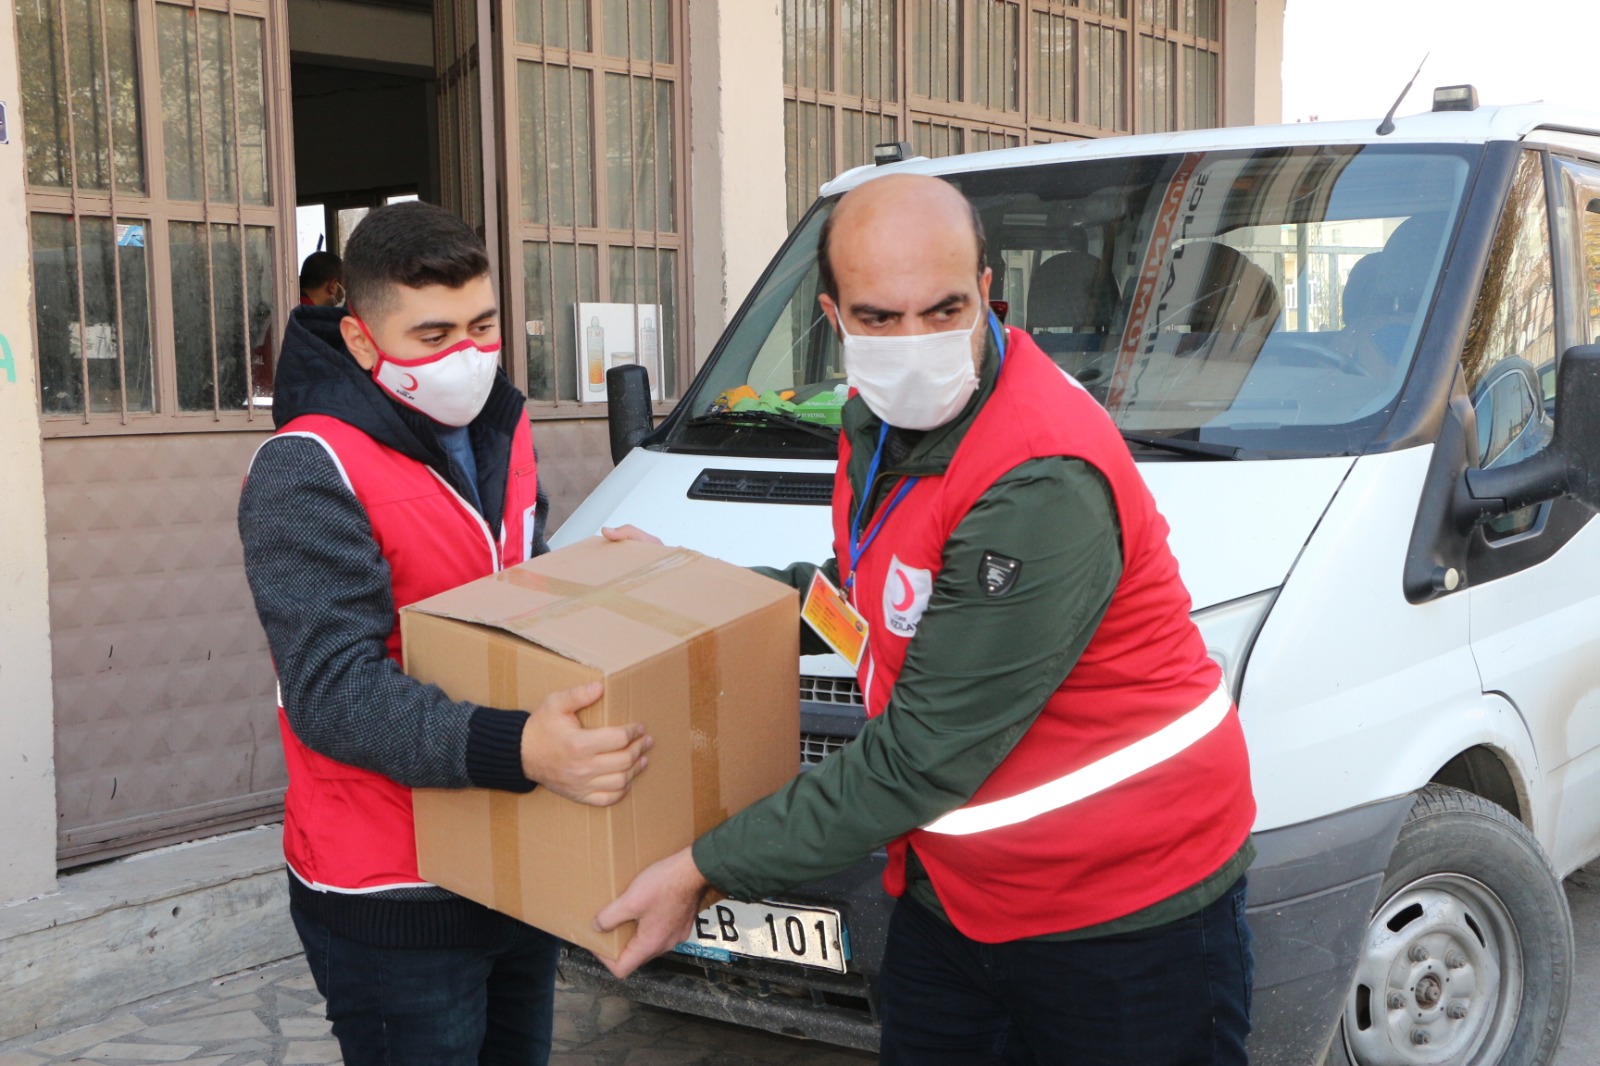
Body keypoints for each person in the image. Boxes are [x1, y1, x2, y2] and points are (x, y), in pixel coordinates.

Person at [596, 174, 1257, 1065]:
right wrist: (685, 587)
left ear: (988, 294)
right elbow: (865, 599)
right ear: (833, 318)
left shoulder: (1038, 475)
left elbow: (920, 755)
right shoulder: (879, 419)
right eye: (878, 318)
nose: (913, 343)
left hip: (1121, 918)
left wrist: (702, 867)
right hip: (960, 895)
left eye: (943, 309)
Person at [239, 201, 652, 1066]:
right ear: (359, 340)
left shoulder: (497, 424)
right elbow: (334, 693)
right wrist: (522, 752)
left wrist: (599, 575)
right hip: (392, 891)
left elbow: (507, 595)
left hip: (510, 859)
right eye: (432, 336)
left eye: (483, 325)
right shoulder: (308, 468)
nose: (467, 356)